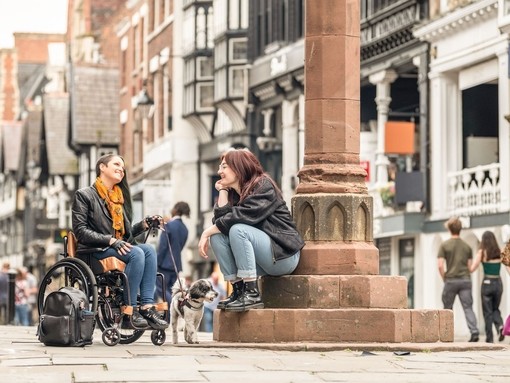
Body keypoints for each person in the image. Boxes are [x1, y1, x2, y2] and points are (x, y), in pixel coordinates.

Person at [198, 148, 304, 312]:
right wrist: (224, 191)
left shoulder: (263, 185)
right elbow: (221, 223)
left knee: (238, 229)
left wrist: (205, 232)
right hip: (261, 259)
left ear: (238, 166)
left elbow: (239, 217)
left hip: (283, 255)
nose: (219, 172)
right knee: (217, 237)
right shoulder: (234, 193)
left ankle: (252, 294)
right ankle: (239, 291)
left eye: (224, 166)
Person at [72, 153, 168, 330]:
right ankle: (128, 309)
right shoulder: (84, 195)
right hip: (93, 252)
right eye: (116, 164)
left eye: (123, 168)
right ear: (102, 167)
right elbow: (80, 231)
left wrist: (143, 225)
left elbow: (125, 234)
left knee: (148, 250)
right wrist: (110, 241)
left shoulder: (119, 198)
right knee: (137, 252)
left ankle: (146, 306)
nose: (121, 169)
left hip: (115, 248)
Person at [437, 217, 479, 342]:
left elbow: (440, 265)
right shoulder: (467, 247)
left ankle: (446, 334)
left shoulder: (444, 245)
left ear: (449, 229)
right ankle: (474, 331)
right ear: (460, 229)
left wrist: (445, 277)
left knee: (447, 308)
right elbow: (470, 267)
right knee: (468, 307)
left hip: (451, 280)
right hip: (465, 280)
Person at [470, 231, 505, 343]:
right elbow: (508, 267)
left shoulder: (482, 252)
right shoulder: (500, 251)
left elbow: (472, 268)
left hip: (487, 283)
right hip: (498, 283)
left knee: (487, 312)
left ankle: (489, 338)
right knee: (495, 308)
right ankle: (500, 326)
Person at [154, 201, 190, 304]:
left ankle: (173, 305)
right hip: (176, 265)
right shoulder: (185, 229)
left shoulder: (169, 225)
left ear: (176, 210)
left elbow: (163, 247)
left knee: (161, 290)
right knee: (171, 291)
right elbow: (181, 247)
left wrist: (157, 262)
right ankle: (171, 317)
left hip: (164, 264)